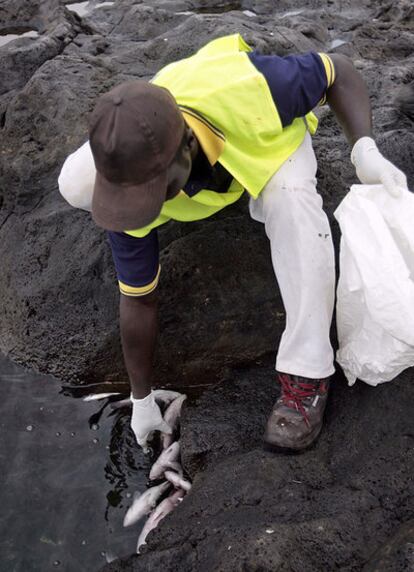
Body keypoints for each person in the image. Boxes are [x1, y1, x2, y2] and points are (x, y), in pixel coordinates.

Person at [59, 34, 408, 452]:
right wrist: (141, 397)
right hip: (166, 119)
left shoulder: (261, 88)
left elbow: (340, 70)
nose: (142, 210)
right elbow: (138, 298)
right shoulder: (132, 196)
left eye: (153, 190)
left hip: (263, 143)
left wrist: (364, 150)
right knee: (73, 183)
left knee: (294, 204)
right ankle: (141, 139)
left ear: (187, 146)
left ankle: (308, 375)